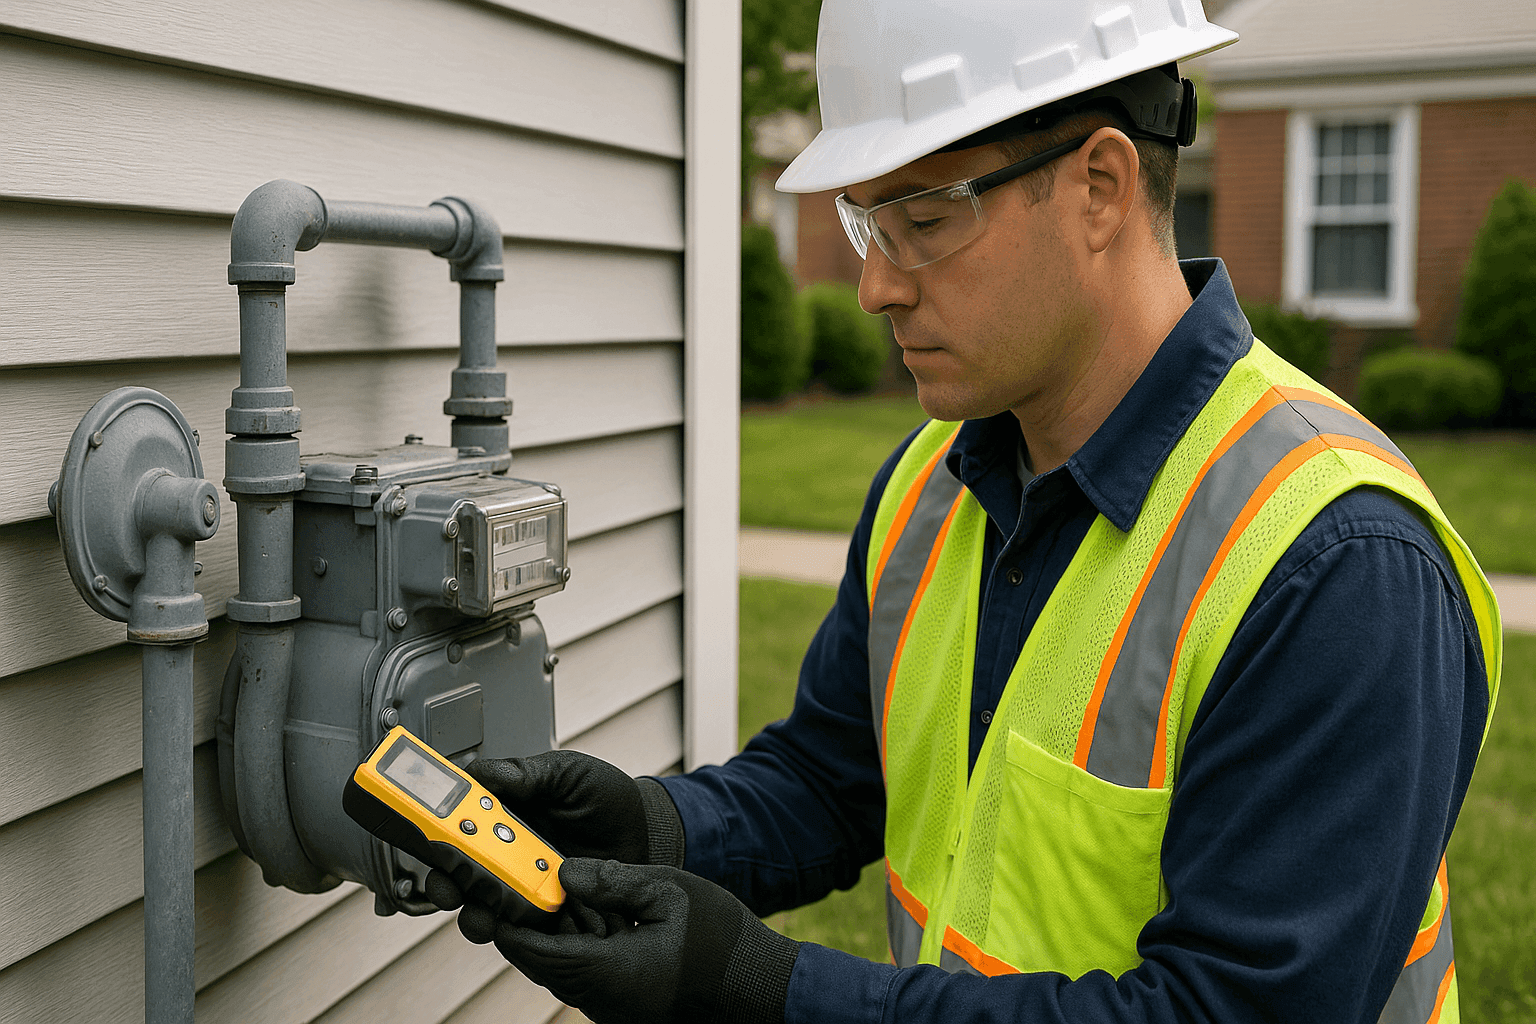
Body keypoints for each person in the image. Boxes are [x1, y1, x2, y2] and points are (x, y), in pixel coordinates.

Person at [426, 2, 1502, 1021]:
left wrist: (757, 991)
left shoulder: (1337, 565)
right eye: (867, 224)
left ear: (1100, 186)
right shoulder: (931, 486)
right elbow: (830, 778)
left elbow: (1228, 1006)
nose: (875, 288)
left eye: (925, 219)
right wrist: (650, 827)